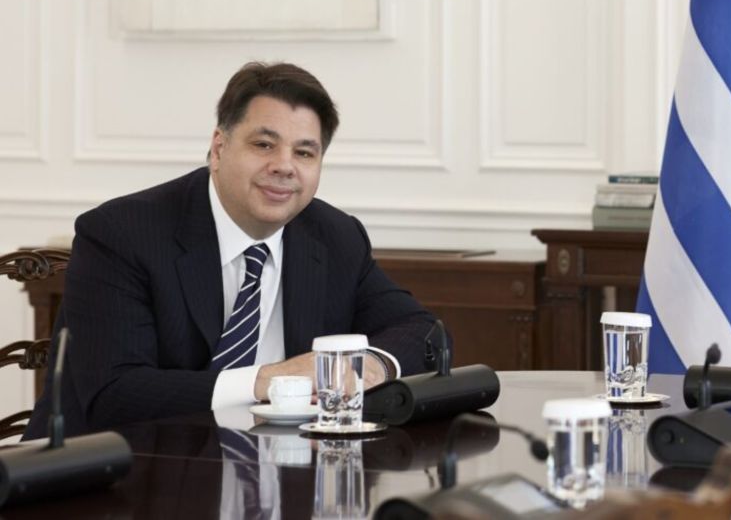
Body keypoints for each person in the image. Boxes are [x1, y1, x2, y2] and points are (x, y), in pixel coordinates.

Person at [24, 62, 440, 438]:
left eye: (304, 152)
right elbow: (115, 394)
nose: (284, 166)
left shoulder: (335, 237)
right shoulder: (121, 234)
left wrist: (368, 366)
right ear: (219, 148)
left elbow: (424, 332)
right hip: (115, 471)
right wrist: (267, 380)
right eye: (264, 145)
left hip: (275, 470)